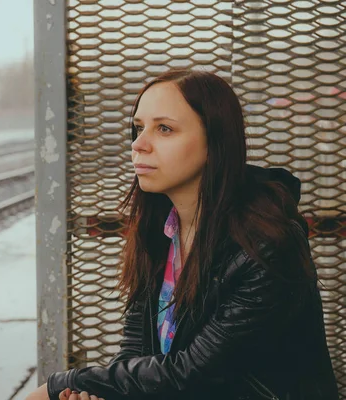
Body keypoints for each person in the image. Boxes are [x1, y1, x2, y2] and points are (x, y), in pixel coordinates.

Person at [26, 69, 339, 400]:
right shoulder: (162, 231)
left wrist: (63, 383)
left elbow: (192, 372)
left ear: (215, 141)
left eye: (164, 129)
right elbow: (136, 350)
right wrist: (99, 393)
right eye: (138, 128)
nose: (139, 144)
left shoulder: (266, 246)